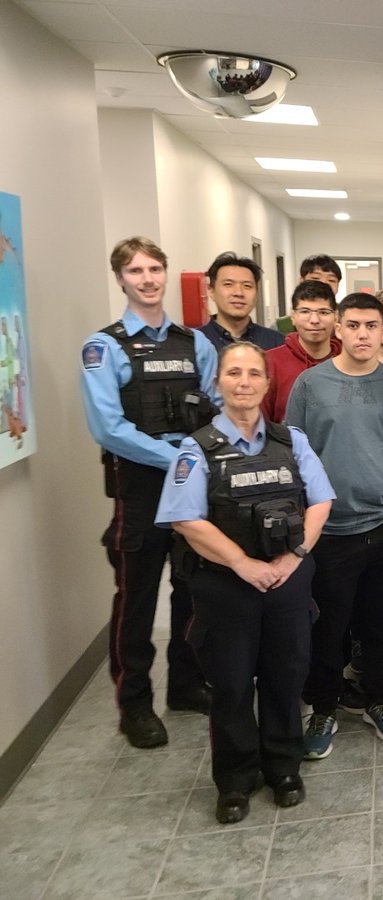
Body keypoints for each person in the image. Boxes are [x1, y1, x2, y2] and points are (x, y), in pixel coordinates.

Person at [155, 342, 334, 823]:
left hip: (287, 580)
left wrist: (295, 555)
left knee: (285, 678)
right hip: (226, 586)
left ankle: (284, 768)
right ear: (219, 384)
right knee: (231, 686)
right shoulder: (196, 449)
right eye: (234, 373)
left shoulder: (291, 440)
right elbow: (185, 520)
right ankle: (235, 780)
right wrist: (242, 564)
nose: (245, 381)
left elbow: (320, 502)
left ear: (266, 382)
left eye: (254, 373)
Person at [80, 236, 217, 749]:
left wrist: (200, 454)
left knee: (191, 591)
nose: (148, 279)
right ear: (121, 278)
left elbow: (215, 403)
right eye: (136, 271)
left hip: (191, 491)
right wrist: (181, 456)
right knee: (135, 602)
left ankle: (185, 685)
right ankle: (134, 704)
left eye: (155, 268)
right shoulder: (104, 346)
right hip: (139, 493)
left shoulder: (193, 342)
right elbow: (109, 429)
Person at [286, 293, 383, 758]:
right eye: (354, 324)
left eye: (372, 325)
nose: (363, 334)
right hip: (330, 529)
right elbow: (294, 456)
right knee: (328, 626)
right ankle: (323, 705)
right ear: (338, 328)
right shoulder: (309, 384)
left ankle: (378, 697)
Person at [262, 281, 340, 423]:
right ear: (293, 316)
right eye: (305, 311)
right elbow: (261, 424)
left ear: (335, 317)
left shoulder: (345, 360)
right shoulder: (270, 362)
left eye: (323, 312)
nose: (315, 320)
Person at [197, 252, 283, 351]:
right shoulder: (194, 342)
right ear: (211, 291)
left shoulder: (276, 343)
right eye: (228, 284)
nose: (239, 293)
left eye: (247, 286)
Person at [276, 255, 342, 334]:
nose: (324, 284)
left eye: (331, 280)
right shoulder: (281, 327)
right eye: (315, 278)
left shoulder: (348, 321)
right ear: (302, 281)